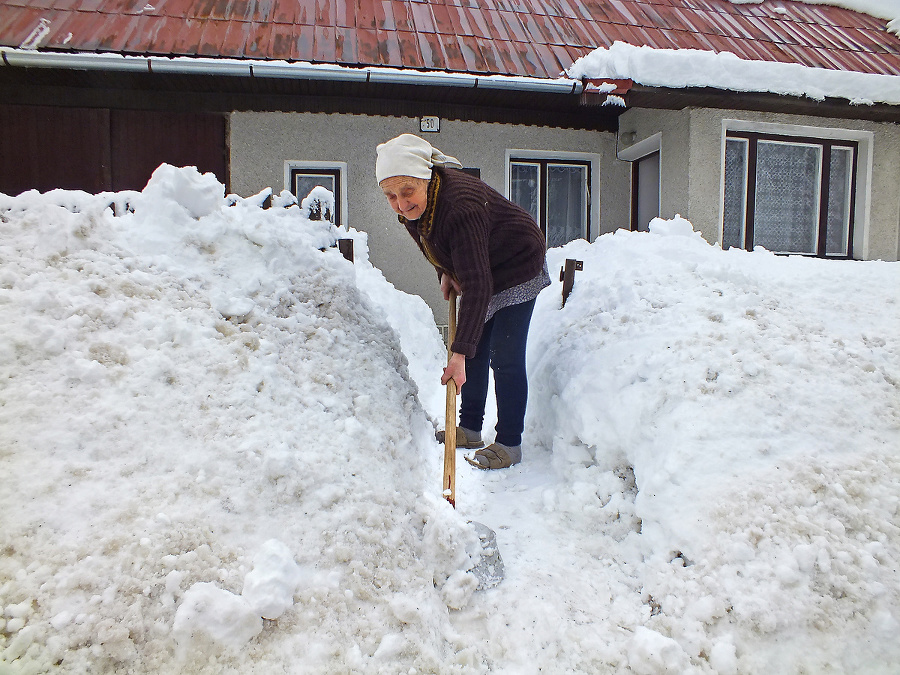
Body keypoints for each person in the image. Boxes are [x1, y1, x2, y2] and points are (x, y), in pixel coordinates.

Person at [375, 133, 550, 469]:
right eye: (390, 196)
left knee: (504, 356)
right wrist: (446, 269)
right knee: (476, 349)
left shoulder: (460, 207)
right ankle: (469, 428)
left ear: (425, 179)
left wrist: (456, 354)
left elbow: (480, 286)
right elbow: (432, 241)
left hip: (516, 263)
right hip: (482, 265)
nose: (400, 203)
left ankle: (510, 442)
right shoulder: (415, 206)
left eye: (407, 192)